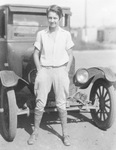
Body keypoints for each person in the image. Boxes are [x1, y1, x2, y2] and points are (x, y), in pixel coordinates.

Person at [27, 4, 74, 146]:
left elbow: (70, 55)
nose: (52, 20)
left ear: (60, 18)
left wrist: (66, 70)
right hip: (45, 71)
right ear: (47, 18)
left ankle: (65, 134)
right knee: (40, 103)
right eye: (50, 18)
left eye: (55, 18)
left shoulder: (65, 35)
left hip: (60, 70)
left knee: (61, 103)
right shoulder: (41, 34)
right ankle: (35, 133)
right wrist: (40, 69)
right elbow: (36, 53)